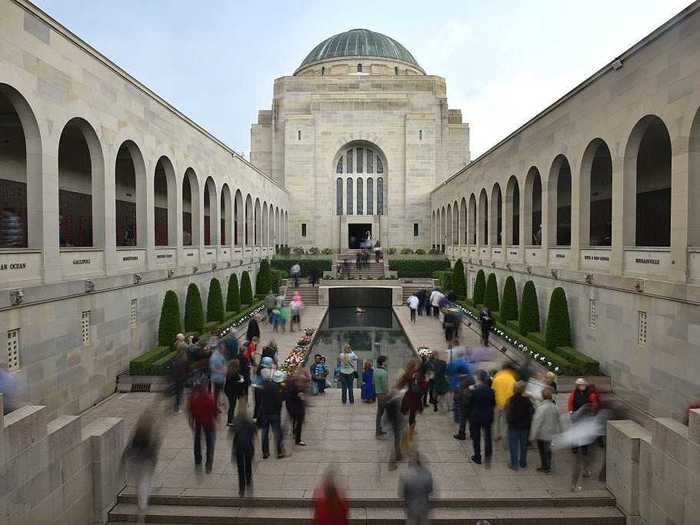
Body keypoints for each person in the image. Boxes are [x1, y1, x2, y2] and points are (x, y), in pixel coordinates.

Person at [122, 409, 160, 521]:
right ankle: (142, 509)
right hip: (145, 463)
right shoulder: (152, 433)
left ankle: (142, 504)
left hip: (136, 462)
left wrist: (124, 459)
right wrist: (154, 462)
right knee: (144, 483)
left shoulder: (138, 432)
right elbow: (153, 449)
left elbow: (130, 447)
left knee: (140, 483)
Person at [567, 377, 599, 470]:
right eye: (580, 385)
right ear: (577, 386)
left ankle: (584, 449)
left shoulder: (590, 394)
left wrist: (592, 413)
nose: (582, 386)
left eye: (583, 385)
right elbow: (570, 403)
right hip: (577, 416)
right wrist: (571, 412)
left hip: (585, 417)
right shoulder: (574, 394)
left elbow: (594, 404)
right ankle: (575, 447)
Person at [188, 382, 217, 473]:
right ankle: (208, 464)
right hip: (208, 422)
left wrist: (191, 421)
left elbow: (191, 411)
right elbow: (214, 410)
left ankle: (198, 460)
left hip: (198, 421)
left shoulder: (193, 399)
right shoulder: (209, 398)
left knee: (197, 441)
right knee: (209, 442)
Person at [530, 387, 561, 473]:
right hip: (551, 433)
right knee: (548, 450)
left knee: (543, 451)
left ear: (543, 397)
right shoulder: (555, 407)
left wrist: (533, 435)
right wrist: (561, 431)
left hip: (542, 434)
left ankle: (545, 466)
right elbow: (559, 419)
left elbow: (537, 422)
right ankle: (548, 466)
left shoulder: (541, 408)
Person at [399, 451, 434, 525]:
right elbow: (430, 490)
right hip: (424, 507)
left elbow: (401, 494)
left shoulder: (404, 475)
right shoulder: (427, 474)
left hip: (411, 508)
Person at [506, 381, 534, 470]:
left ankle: (514, 464)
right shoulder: (527, 401)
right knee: (523, 445)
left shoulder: (511, 399)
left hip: (513, 426)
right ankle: (523, 462)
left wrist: (509, 421)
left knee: (513, 446)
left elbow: (508, 413)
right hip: (525, 427)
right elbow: (532, 412)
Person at [469, 370, 495, 466]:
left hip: (476, 417)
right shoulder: (491, 391)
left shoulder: (474, 391)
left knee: (476, 437)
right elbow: (493, 404)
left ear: (478, 378)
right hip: (488, 416)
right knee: (488, 437)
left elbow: (469, 403)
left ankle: (477, 457)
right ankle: (488, 457)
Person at [230, 401, 257, 497]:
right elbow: (254, 433)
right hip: (248, 447)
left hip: (238, 447)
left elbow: (232, 433)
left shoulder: (236, 421)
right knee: (248, 466)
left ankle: (241, 489)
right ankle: (249, 482)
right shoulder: (250, 421)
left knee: (240, 469)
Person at [259, 368, 286, 458]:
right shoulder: (274, 386)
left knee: (264, 432)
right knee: (277, 432)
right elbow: (278, 400)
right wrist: (278, 409)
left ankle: (265, 452)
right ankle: (279, 452)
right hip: (274, 412)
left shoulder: (261, 386)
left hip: (264, 412)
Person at [397, 359, 428, 433]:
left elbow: (400, 385)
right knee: (412, 414)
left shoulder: (407, 374)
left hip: (409, 395)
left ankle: (408, 428)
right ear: (415, 366)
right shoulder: (418, 374)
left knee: (408, 412)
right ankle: (411, 429)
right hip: (415, 397)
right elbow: (423, 386)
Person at [492, 363, 518, 445]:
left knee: (496, 420)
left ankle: (496, 435)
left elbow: (493, 389)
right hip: (507, 404)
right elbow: (511, 393)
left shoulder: (497, 376)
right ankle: (504, 437)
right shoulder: (511, 379)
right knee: (505, 422)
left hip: (496, 403)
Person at [286, 369, 308, 446]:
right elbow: (301, 397)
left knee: (294, 420)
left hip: (290, 405)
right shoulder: (298, 386)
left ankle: (294, 431)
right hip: (297, 406)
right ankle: (297, 439)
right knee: (299, 422)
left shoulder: (290, 382)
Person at [224, 359, 246, 426]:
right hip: (233, 392)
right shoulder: (235, 373)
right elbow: (237, 382)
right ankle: (230, 421)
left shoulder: (229, 372)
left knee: (231, 405)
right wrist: (241, 379)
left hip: (228, 391)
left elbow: (230, 382)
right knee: (232, 406)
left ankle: (231, 419)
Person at [453, 374, 475, 440]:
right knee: (471, 420)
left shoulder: (462, 384)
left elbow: (457, 396)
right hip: (471, 405)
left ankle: (462, 434)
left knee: (463, 420)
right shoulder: (472, 382)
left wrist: (456, 398)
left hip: (463, 405)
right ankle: (473, 434)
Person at [374, 355, 389, 436]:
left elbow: (374, 382)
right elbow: (384, 386)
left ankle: (378, 430)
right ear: (383, 362)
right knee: (383, 413)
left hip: (378, 393)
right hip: (383, 395)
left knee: (379, 413)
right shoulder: (383, 372)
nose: (387, 362)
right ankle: (379, 431)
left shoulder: (375, 370)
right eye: (386, 361)